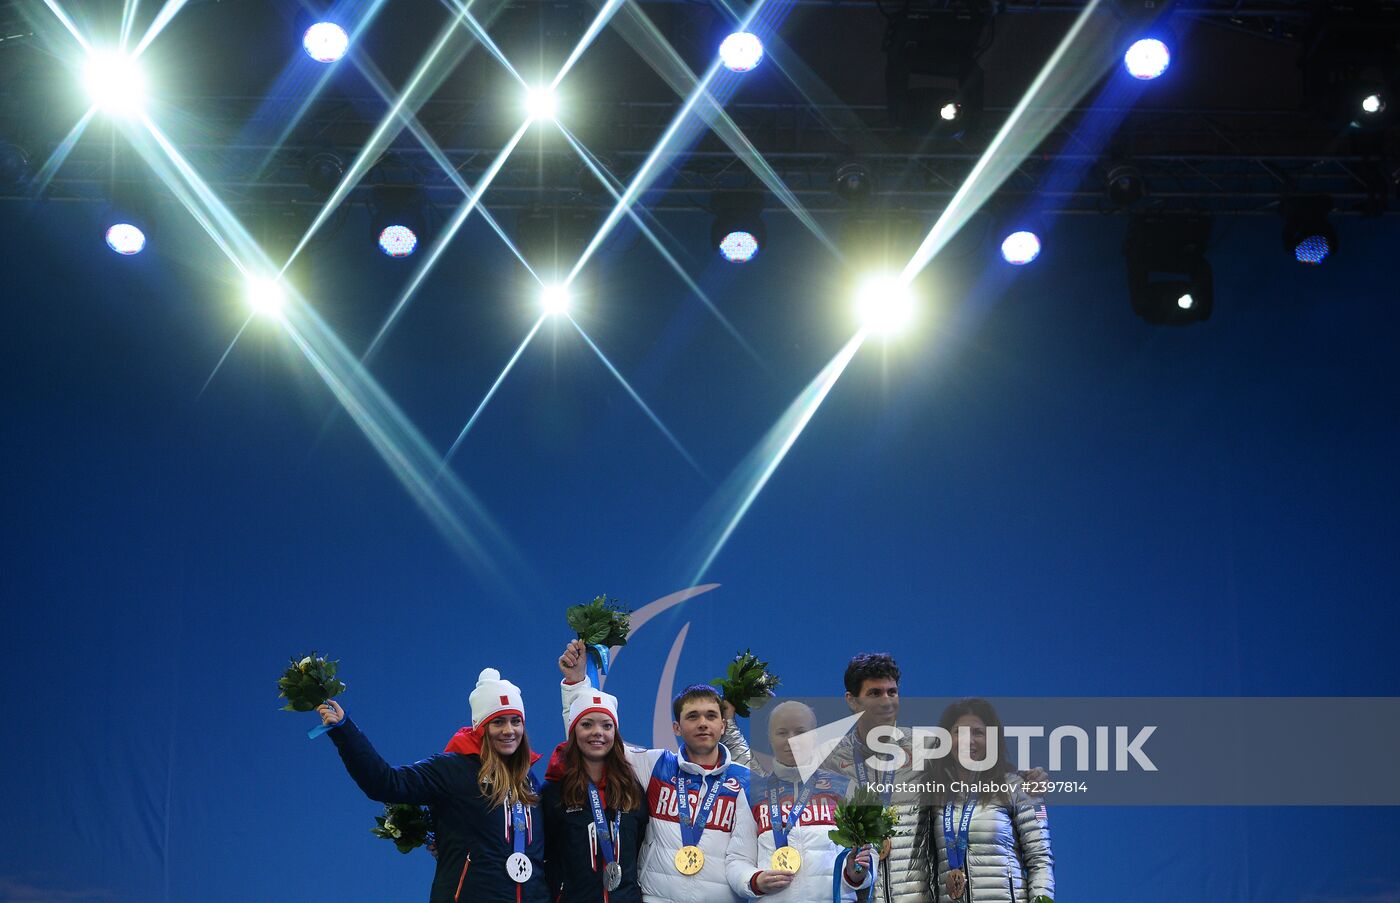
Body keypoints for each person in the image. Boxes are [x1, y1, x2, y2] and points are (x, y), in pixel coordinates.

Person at [317, 668, 549, 903]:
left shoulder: (528, 781)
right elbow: (384, 783)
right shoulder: (450, 769)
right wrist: (345, 732)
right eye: (498, 722)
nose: (509, 730)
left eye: (515, 721)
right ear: (481, 728)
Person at [559, 639, 750, 903]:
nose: (703, 724)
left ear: (724, 726)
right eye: (692, 716)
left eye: (711, 716)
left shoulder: (744, 780)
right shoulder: (655, 765)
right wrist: (577, 683)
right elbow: (593, 734)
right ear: (676, 727)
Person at [725, 700, 877, 901]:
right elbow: (738, 859)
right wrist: (754, 880)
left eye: (800, 732)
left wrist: (856, 873)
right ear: (770, 738)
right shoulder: (753, 793)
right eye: (782, 732)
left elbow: (868, 852)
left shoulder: (843, 787)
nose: (791, 740)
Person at [913, 698, 1054, 903]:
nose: (967, 741)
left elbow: (1040, 859)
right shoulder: (935, 795)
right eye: (958, 732)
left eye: (977, 733)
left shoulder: (1019, 787)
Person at [541, 688, 649, 903]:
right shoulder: (554, 793)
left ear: (615, 734)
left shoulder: (632, 790)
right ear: (573, 732)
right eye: (587, 724)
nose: (598, 732)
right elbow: (545, 857)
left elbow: (639, 850)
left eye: (607, 726)